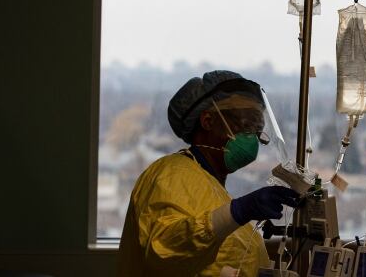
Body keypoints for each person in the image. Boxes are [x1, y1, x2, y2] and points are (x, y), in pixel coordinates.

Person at [117, 70, 300, 276]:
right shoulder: (171, 174)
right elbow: (164, 250)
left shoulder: (210, 185)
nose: (252, 139)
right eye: (246, 127)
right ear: (208, 121)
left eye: (257, 132)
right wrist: (238, 211)